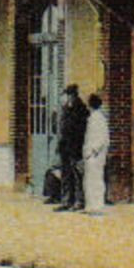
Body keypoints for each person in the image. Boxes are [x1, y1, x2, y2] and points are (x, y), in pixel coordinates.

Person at [54, 84, 89, 212]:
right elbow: (62, 129)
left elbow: (81, 130)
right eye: (67, 95)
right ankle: (66, 201)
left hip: (75, 147)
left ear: (74, 95)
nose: (68, 97)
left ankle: (79, 201)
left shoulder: (81, 110)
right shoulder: (65, 109)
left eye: (70, 95)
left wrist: (77, 146)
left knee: (77, 176)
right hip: (65, 147)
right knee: (66, 175)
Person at [82, 93, 110, 215]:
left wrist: (92, 151)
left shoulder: (98, 119)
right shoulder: (94, 117)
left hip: (95, 155)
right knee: (90, 180)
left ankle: (97, 206)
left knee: (96, 180)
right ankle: (90, 205)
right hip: (92, 154)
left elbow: (101, 138)